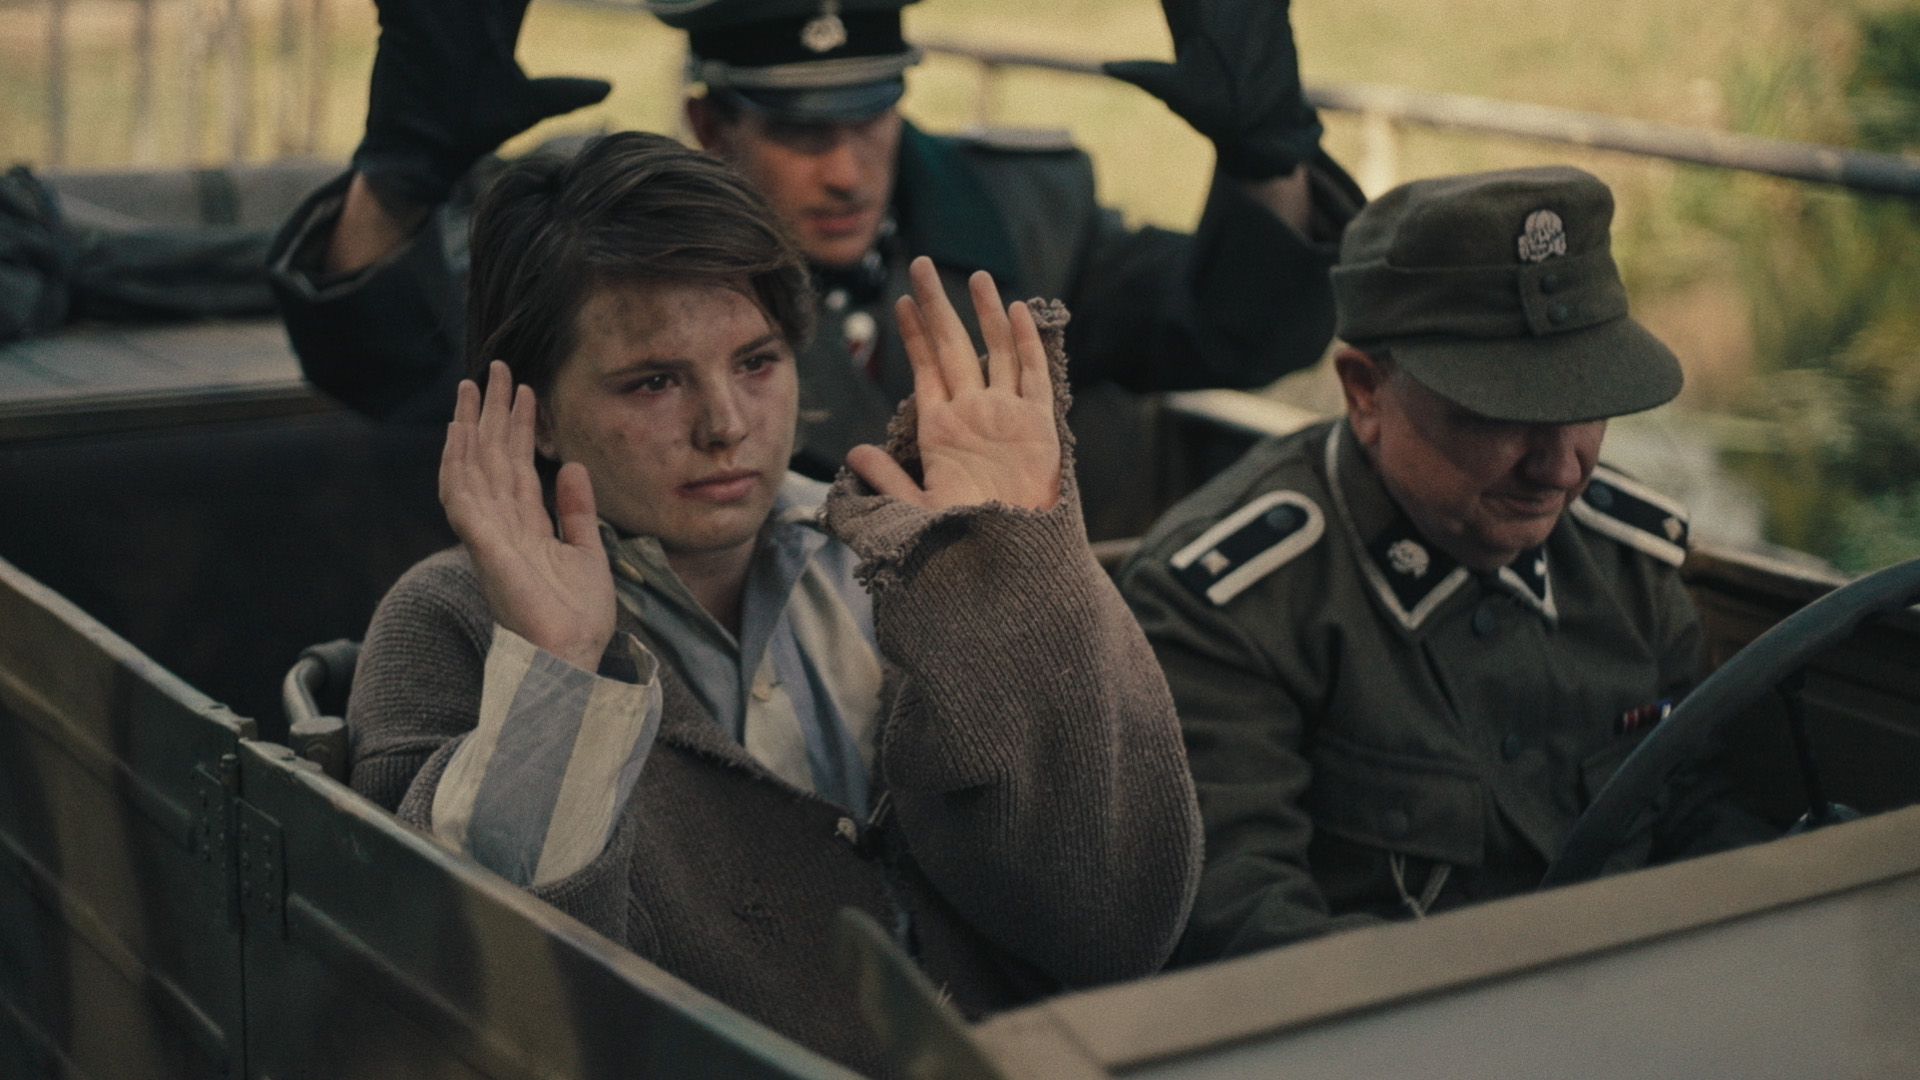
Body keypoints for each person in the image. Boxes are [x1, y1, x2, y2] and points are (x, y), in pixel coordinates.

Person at [347, 132, 1201, 1076]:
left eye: (756, 361)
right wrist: (557, 674)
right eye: (654, 382)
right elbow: (474, 1011)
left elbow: (1111, 932)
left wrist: (1016, 578)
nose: (725, 426)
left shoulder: (896, 554)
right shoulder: (451, 622)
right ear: (538, 414)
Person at [265, 0, 1363, 521]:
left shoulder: (1023, 215)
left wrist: (1269, 157)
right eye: (799, 131)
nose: (845, 171)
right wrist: (397, 183)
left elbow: (1234, 332)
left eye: (871, 115)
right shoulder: (612, 255)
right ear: (710, 123)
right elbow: (399, 370)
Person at [1118, 166, 1772, 964]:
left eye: (1586, 406)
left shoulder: (1627, 564)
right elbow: (1243, 924)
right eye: (1505, 414)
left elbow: (1695, 803)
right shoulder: (1232, 607)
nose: (1560, 468)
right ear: (1367, 393)